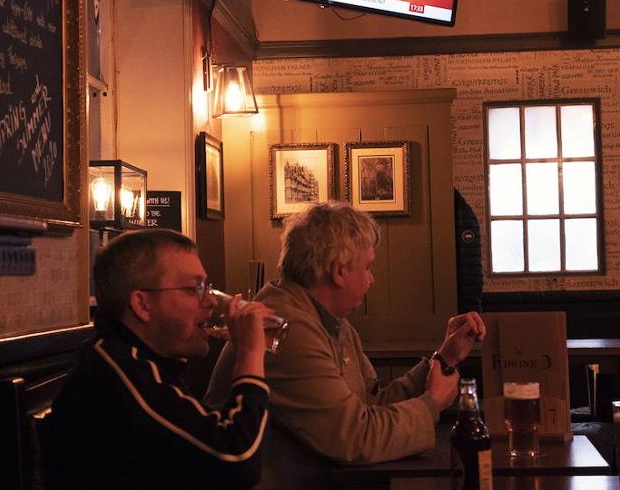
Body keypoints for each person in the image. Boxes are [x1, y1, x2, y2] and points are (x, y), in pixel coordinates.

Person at [204, 202, 485, 489]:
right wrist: (432, 404)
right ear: (339, 271)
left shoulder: (330, 322)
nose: (371, 279)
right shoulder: (285, 328)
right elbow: (355, 437)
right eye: (367, 267)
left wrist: (443, 358)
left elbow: (370, 406)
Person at [47, 229, 272, 490]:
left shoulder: (146, 363)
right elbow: (237, 460)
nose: (210, 301)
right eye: (193, 289)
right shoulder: (118, 373)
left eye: (206, 287)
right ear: (142, 304)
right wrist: (250, 354)